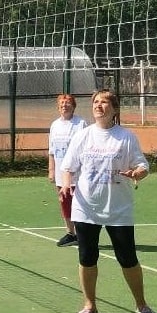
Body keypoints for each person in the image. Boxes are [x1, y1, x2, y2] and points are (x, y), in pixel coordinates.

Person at [59, 89, 157, 313]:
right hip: (86, 208)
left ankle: (141, 305)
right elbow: (68, 167)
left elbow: (143, 166)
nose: (98, 105)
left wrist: (137, 173)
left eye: (104, 102)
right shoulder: (83, 136)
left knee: (128, 258)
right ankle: (90, 305)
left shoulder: (126, 136)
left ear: (115, 109)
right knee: (87, 257)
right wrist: (66, 186)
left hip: (118, 209)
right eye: (95, 101)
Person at [48, 93, 87, 247]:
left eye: (68, 103)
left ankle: (83, 233)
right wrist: (51, 170)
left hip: (77, 173)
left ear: (73, 106)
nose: (65, 105)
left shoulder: (80, 124)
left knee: (80, 203)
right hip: (60, 174)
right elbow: (51, 151)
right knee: (65, 202)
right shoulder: (55, 125)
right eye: (62, 103)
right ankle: (71, 234)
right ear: (58, 107)